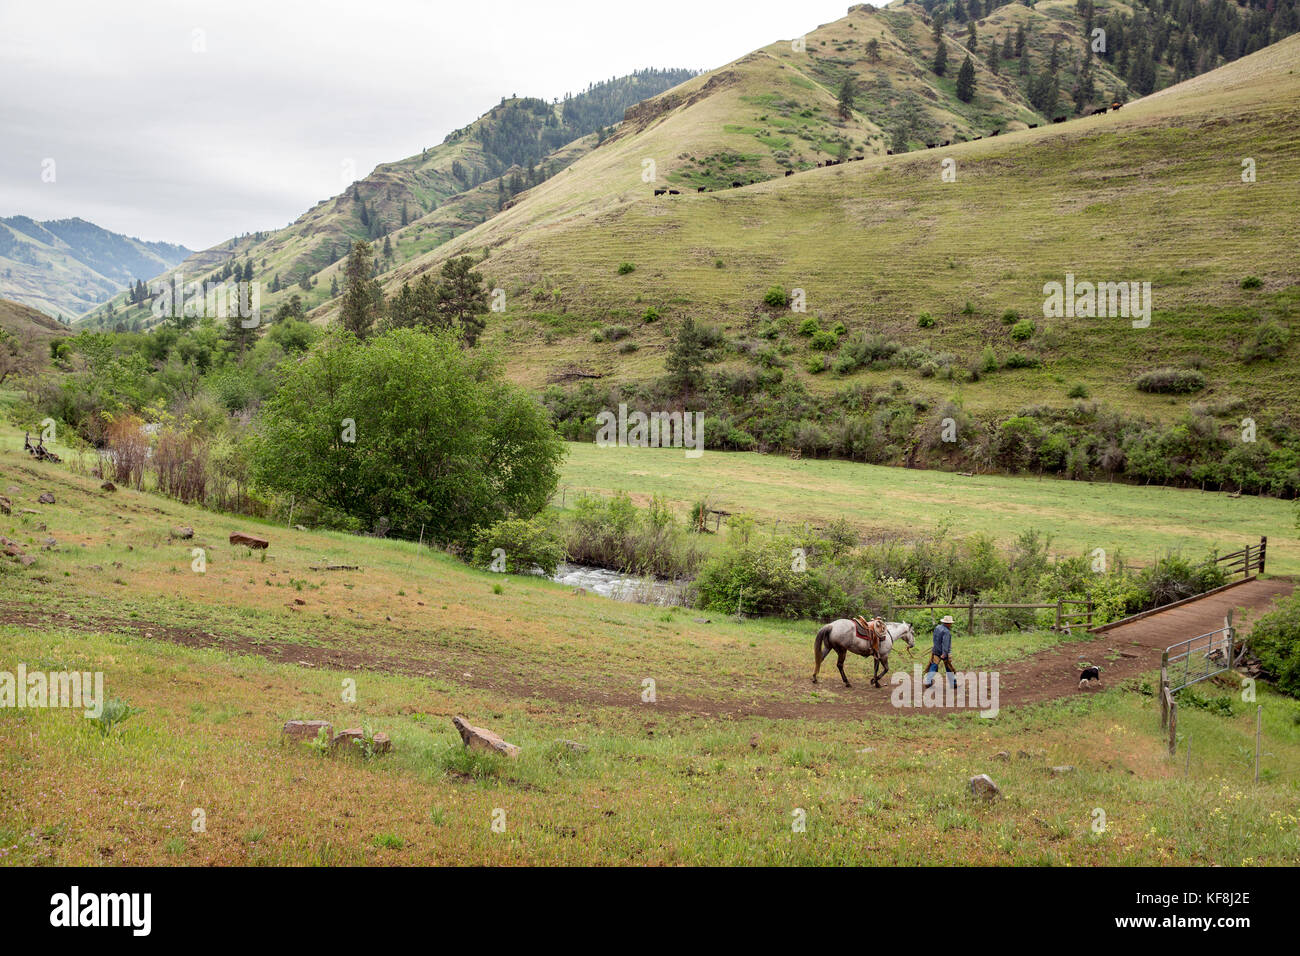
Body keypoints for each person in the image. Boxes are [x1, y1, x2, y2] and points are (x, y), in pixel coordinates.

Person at [924, 614, 958, 689]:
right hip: (943, 653)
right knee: (949, 667)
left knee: (933, 665)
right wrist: (945, 653)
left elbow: (934, 639)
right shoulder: (946, 632)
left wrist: (935, 647)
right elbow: (945, 643)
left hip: (935, 650)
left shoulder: (937, 628)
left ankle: (928, 681)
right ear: (948, 623)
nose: (951, 625)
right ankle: (953, 683)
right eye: (950, 623)